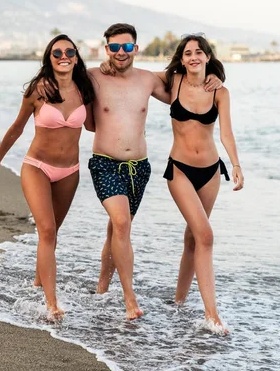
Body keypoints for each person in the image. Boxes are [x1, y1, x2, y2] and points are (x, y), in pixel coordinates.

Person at [87, 23, 222, 320]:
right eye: (114, 47)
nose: (120, 53)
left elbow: (185, 85)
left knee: (116, 229)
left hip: (140, 168)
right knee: (121, 224)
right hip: (104, 162)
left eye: (126, 47)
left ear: (136, 49)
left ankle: (101, 286)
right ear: (105, 48)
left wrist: (212, 77)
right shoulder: (93, 77)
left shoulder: (148, 81)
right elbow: (62, 81)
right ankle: (129, 298)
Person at [0, 34, 95, 319]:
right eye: (57, 53)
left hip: (70, 171)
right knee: (46, 230)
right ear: (49, 58)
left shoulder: (85, 89)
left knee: (52, 232)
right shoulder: (37, 90)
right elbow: (18, 127)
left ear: (77, 57)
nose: (63, 56)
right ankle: (51, 303)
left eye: (69, 51)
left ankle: (37, 281)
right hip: (37, 167)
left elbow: (100, 121)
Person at [163, 33, 244, 333]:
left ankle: (179, 302)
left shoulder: (220, 92)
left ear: (208, 57)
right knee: (205, 236)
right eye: (187, 53)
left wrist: (235, 164)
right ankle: (212, 315)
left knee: (193, 239)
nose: (193, 56)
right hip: (180, 171)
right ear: (181, 59)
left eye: (199, 52)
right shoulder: (173, 83)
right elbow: (138, 81)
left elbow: (226, 133)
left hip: (210, 172)